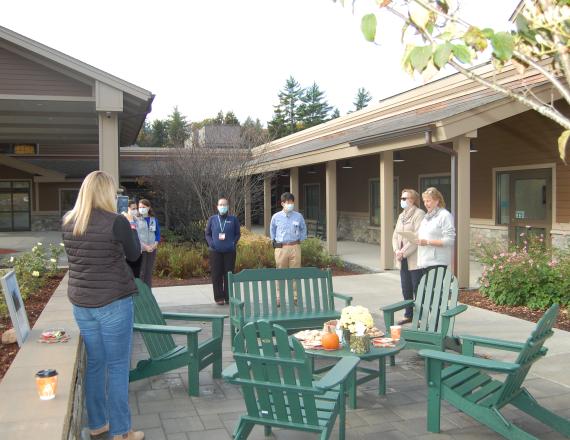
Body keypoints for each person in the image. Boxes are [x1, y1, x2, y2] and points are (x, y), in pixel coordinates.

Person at [62, 170, 143, 440]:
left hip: (82, 304)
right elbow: (134, 255)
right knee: (118, 366)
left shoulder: (68, 222)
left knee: (96, 363)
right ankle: (121, 432)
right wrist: (130, 225)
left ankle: (98, 424)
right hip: (112, 304)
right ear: (106, 192)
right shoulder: (116, 221)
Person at [392, 189, 425, 325]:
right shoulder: (401, 215)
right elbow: (395, 235)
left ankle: (419, 317)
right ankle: (408, 315)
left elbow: (417, 238)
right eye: (401, 198)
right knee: (406, 287)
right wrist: (396, 251)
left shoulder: (419, 214)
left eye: (404, 198)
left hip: (414, 258)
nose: (402, 200)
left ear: (412, 200)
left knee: (417, 287)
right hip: (402, 258)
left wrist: (403, 252)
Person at [270, 192, 307, 305]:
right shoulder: (276, 217)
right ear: (282, 203)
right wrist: (275, 242)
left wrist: (300, 239)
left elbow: (303, 229)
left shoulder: (298, 216)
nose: (290, 204)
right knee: (280, 274)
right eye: (288, 202)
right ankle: (279, 298)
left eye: (292, 202)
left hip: (295, 247)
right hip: (281, 248)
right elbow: (272, 230)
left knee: (295, 273)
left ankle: (295, 298)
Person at [205, 198, 241, 305]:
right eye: (220, 204)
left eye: (224, 205)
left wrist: (232, 243)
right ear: (217, 206)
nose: (222, 206)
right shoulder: (212, 219)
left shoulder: (233, 219)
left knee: (228, 274)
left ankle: (228, 297)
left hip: (229, 251)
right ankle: (219, 297)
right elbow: (207, 233)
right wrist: (212, 244)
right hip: (215, 251)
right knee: (216, 275)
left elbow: (237, 234)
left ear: (228, 206)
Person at [416, 187, 456, 272]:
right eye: (424, 201)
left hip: (437, 263)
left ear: (437, 201)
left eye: (428, 201)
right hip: (424, 261)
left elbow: (449, 240)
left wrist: (427, 242)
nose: (426, 204)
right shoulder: (427, 216)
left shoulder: (445, 215)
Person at [136, 199, 160, 288]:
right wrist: (144, 246)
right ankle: (141, 294)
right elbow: (135, 235)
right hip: (141, 250)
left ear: (148, 208)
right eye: (140, 207)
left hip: (152, 249)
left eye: (143, 207)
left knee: (148, 273)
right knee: (141, 272)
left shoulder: (153, 220)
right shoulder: (136, 220)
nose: (141, 209)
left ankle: (148, 293)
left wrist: (155, 245)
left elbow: (157, 233)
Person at [125, 201, 142, 278]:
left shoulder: (138, 220)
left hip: (138, 252)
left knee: (136, 275)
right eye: (133, 208)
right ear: (128, 208)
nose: (135, 210)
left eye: (136, 208)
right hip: (127, 254)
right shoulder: (123, 220)